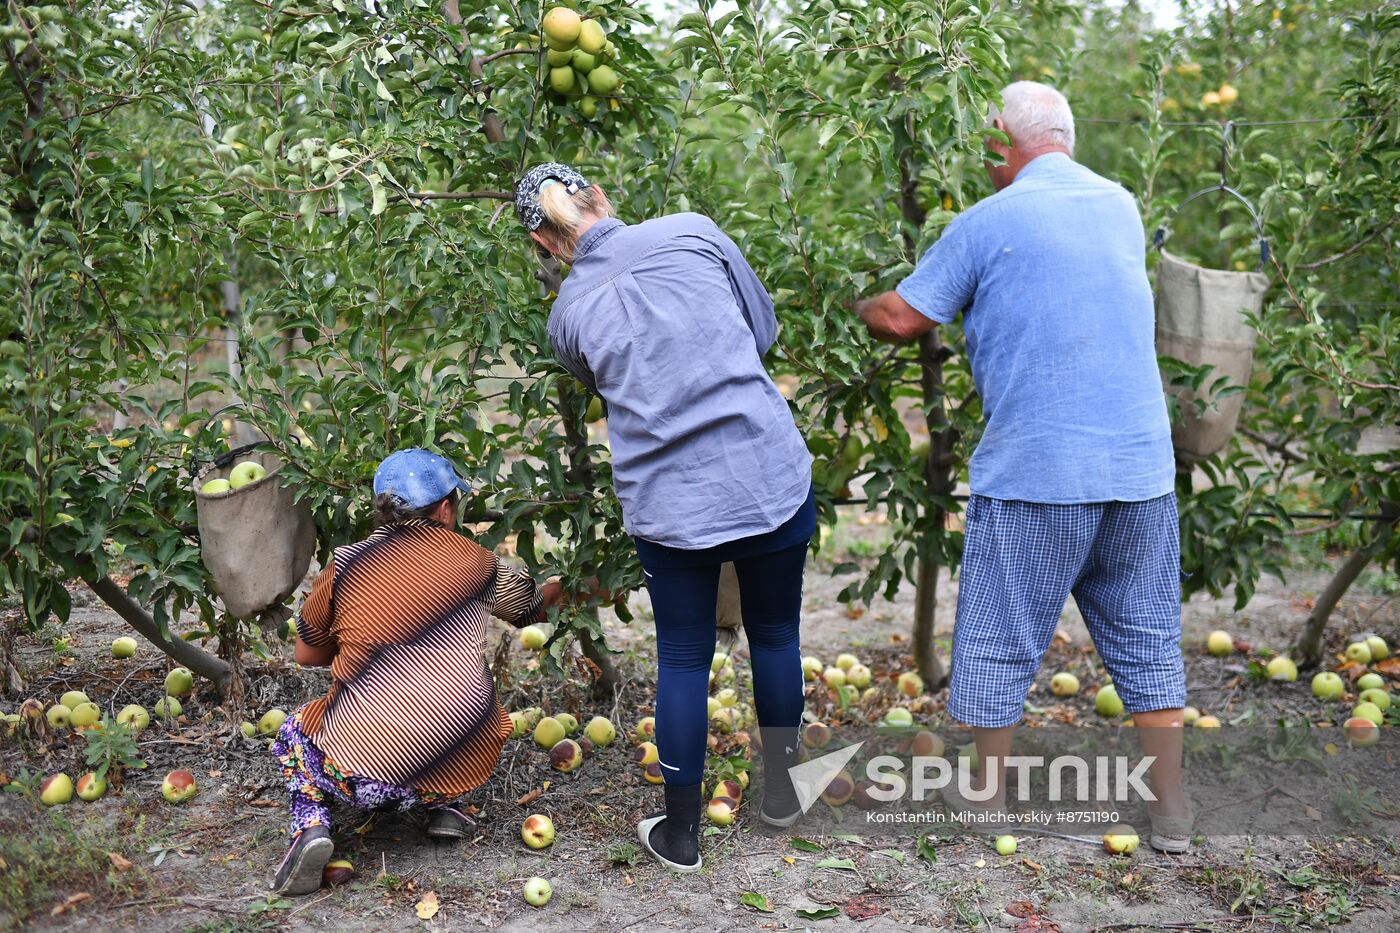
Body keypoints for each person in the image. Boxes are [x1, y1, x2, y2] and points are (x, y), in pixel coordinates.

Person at [851, 82, 1191, 852]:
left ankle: (986, 805)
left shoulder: (988, 221)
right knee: (1147, 640)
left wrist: (855, 305)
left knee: (1000, 641)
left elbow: (905, 317)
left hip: (1040, 473)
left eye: (986, 141)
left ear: (1004, 140)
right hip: (1140, 471)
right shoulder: (1122, 205)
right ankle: (1172, 811)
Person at [513, 162, 815, 871]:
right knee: (776, 635)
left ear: (545, 241)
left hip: (673, 502)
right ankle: (783, 798)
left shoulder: (567, 316)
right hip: (765, 470)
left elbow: (611, 387)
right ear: (602, 195)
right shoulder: (694, 232)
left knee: (683, 655)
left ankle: (681, 836)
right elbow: (761, 331)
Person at [269, 448, 576, 895]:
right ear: (447, 508)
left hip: (360, 778)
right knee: (460, 698)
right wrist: (583, 582)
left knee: (293, 734)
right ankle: (448, 805)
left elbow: (307, 656)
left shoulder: (347, 562)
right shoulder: (479, 563)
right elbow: (533, 608)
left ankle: (311, 829)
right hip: (459, 759)